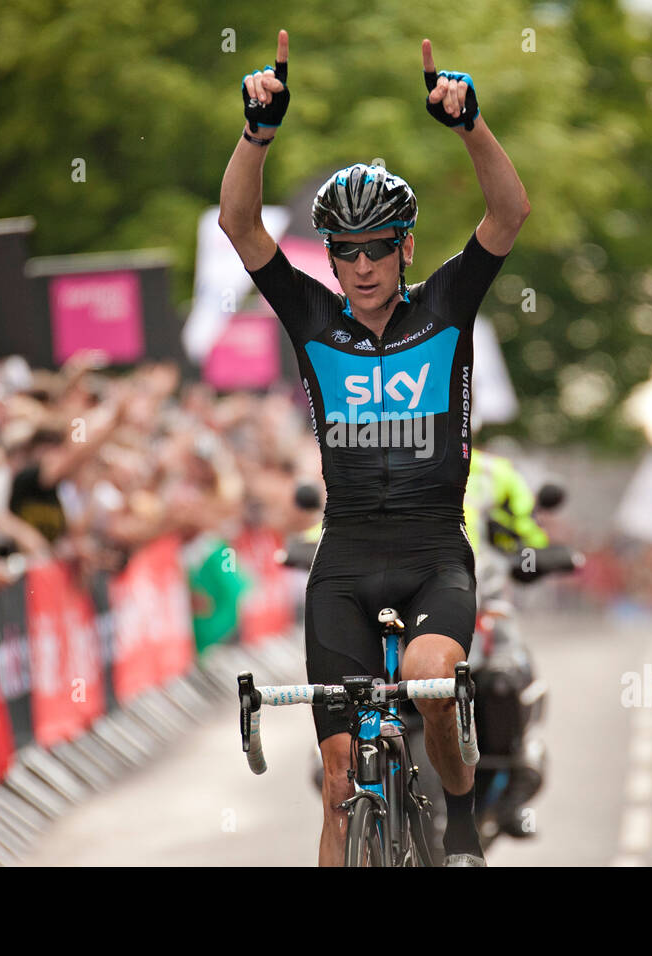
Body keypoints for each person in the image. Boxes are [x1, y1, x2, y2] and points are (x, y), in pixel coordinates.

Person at [219, 30, 529, 866]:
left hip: (433, 550)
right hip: (346, 559)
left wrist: (471, 127)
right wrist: (257, 133)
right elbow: (238, 223)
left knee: (432, 676)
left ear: (405, 247)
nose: (359, 265)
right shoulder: (313, 319)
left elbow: (509, 214)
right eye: (344, 250)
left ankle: (458, 807)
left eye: (376, 247)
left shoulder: (447, 307)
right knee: (337, 773)